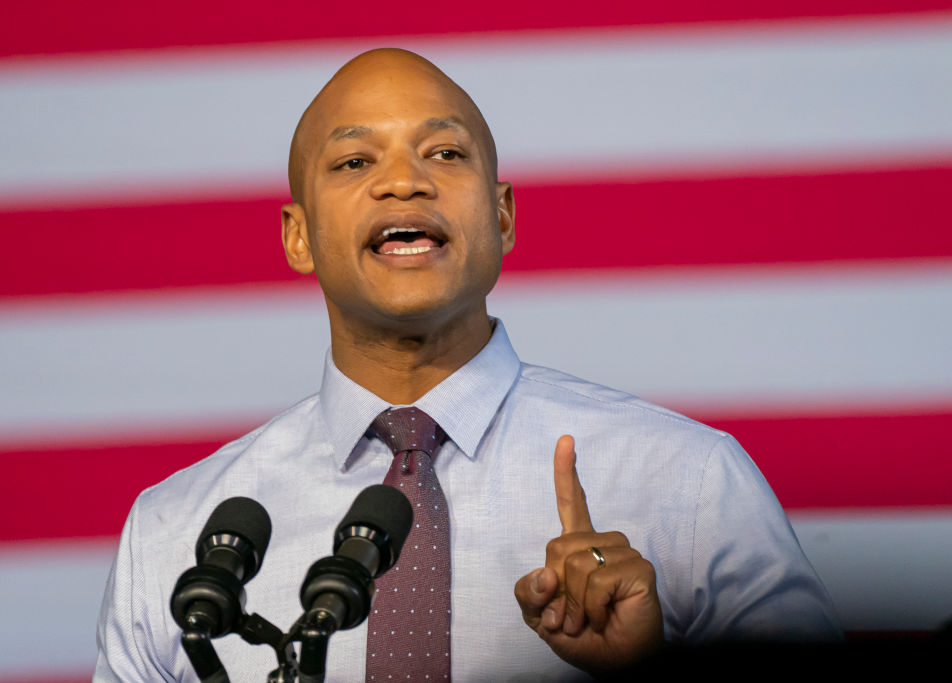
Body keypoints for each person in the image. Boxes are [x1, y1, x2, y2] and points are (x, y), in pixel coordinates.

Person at [95, 48, 840, 681]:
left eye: (444, 153)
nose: (403, 182)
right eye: (355, 160)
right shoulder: (174, 535)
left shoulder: (690, 484)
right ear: (299, 237)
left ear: (504, 214)